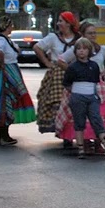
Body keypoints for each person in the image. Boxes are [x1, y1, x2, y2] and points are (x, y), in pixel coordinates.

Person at [53, 21, 105, 154]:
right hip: (80, 86)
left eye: (94, 33)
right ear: (82, 34)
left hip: (98, 87)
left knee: (99, 114)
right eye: (89, 33)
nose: (93, 35)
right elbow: (60, 60)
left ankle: (99, 143)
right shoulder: (77, 49)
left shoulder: (101, 49)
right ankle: (86, 143)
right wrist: (73, 71)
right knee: (82, 116)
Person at [0, 14, 37, 145]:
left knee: (4, 101)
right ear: (7, 27)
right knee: (5, 101)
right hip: (3, 73)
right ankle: (3, 134)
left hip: (3, 72)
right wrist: (3, 65)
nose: (13, 27)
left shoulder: (4, 39)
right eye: (11, 25)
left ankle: (1, 133)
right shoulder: (1, 40)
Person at [35, 12, 81, 140]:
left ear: (68, 23)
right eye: (59, 21)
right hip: (57, 74)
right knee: (58, 102)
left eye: (61, 21)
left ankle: (71, 132)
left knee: (73, 103)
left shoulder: (78, 39)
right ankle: (62, 131)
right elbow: (37, 47)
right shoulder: (53, 37)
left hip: (74, 73)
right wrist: (47, 63)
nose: (58, 23)